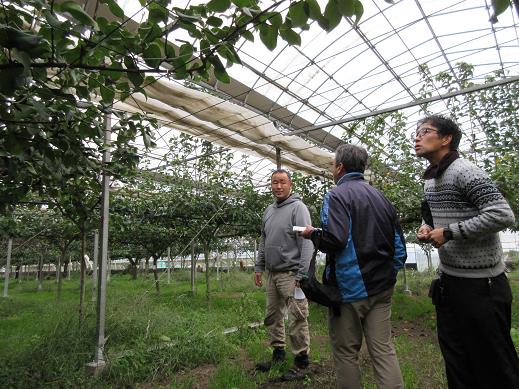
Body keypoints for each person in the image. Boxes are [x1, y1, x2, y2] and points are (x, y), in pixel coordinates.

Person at [414, 114, 519, 389]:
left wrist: (449, 232)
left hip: (482, 286)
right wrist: (427, 228)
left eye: (425, 131)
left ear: (446, 139)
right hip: (450, 283)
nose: (416, 137)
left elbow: (502, 214)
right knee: (457, 362)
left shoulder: (465, 171)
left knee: (494, 364)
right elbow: (432, 217)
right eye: (416, 132)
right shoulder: (430, 180)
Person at [301, 144, 406, 389]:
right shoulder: (382, 198)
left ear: (340, 167)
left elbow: (335, 240)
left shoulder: (336, 195)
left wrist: (313, 234)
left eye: (332, 165)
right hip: (382, 288)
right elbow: (399, 247)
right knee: (383, 349)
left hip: (350, 290)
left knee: (346, 352)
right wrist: (388, 274)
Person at [254, 169, 313, 377]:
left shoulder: (298, 208)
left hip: (291, 274)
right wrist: (259, 267)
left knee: (297, 316)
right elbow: (264, 239)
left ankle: (301, 361)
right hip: (272, 273)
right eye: (274, 182)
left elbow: (307, 243)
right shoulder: (269, 210)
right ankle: (278, 353)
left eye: (282, 182)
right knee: (272, 315)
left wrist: (301, 274)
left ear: (290, 185)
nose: (278, 186)